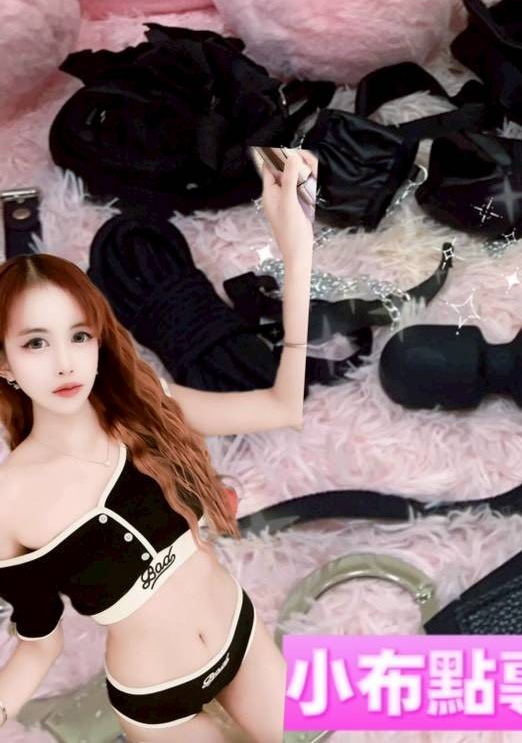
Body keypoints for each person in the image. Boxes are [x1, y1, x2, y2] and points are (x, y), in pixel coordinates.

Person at [0, 149, 317, 742]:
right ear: (5, 365)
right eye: (36, 343)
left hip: (240, 633)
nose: (65, 362)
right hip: (158, 697)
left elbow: (283, 407)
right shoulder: (8, 502)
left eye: (78, 336)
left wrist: (297, 255)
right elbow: (39, 643)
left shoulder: (147, 407)